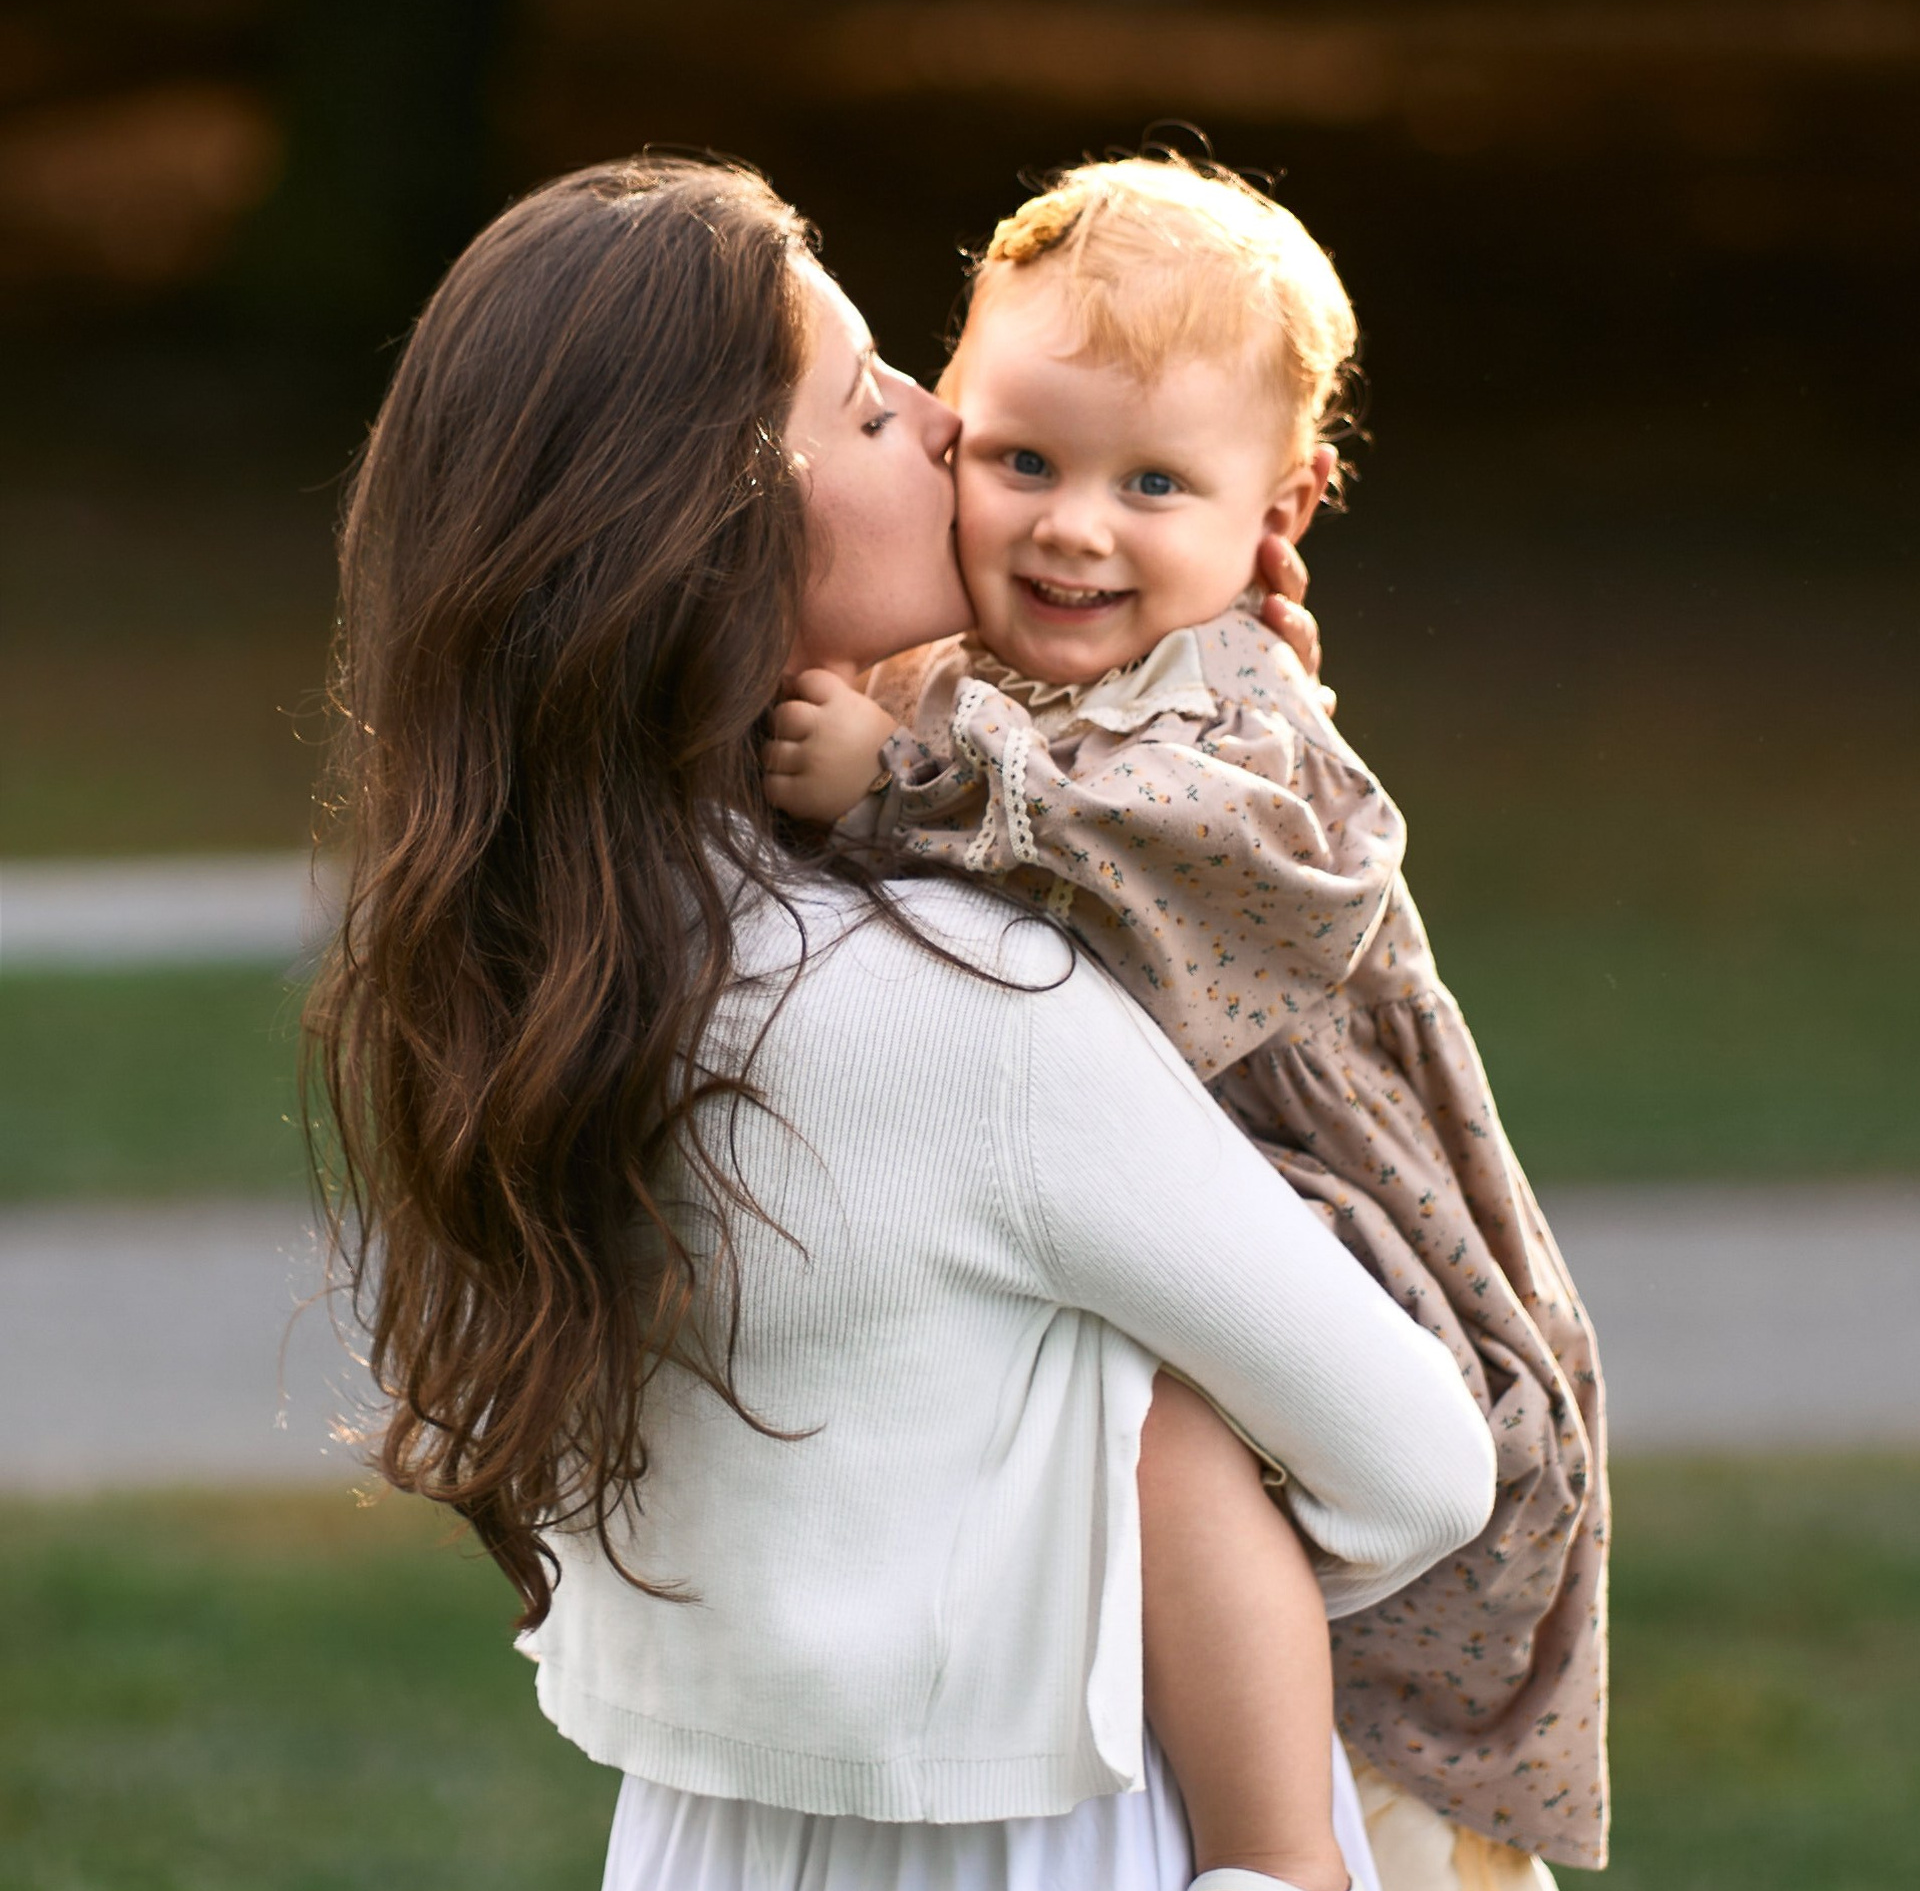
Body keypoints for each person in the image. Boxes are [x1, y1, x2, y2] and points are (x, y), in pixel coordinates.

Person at [303, 153, 1498, 1891]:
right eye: (872, 408)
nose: (948, 430)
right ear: (717, 524)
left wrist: (1174, 732)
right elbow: (1417, 1466)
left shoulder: (549, 959)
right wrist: (1127, 1498)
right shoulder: (966, 1014)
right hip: (1064, 1830)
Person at [764, 157, 1610, 1891]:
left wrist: (900, 781)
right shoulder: (959, 672)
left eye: (1156, 482)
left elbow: (1211, 859)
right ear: (952, 434)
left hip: (1332, 1200)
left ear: (1282, 502)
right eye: (1024, 462)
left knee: (1185, 1427)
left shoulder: (1241, 715)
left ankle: (1281, 1854)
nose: (1075, 525)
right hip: (1119, 1216)